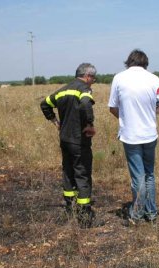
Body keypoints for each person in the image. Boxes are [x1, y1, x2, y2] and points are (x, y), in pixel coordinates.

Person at [108, 49, 159, 224]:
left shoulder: (119, 78)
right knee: (149, 174)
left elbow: (112, 107)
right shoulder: (154, 79)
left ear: (129, 62)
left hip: (130, 136)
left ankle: (136, 214)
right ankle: (151, 213)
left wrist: (124, 118)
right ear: (145, 63)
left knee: (138, 177)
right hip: (150, 134)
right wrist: (150, 113)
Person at [40, 63, 100, 228]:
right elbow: (86, 104)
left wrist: (56, 122)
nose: (93, 81)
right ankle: (84, 216)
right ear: (87, 76)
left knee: (68, 172)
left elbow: (44, 104)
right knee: (82, 174)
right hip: (79, 141)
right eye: (93, 78)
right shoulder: (84, 89)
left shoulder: (62, 90)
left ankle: (69, 209)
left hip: (64, 140)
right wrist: (89, 124)